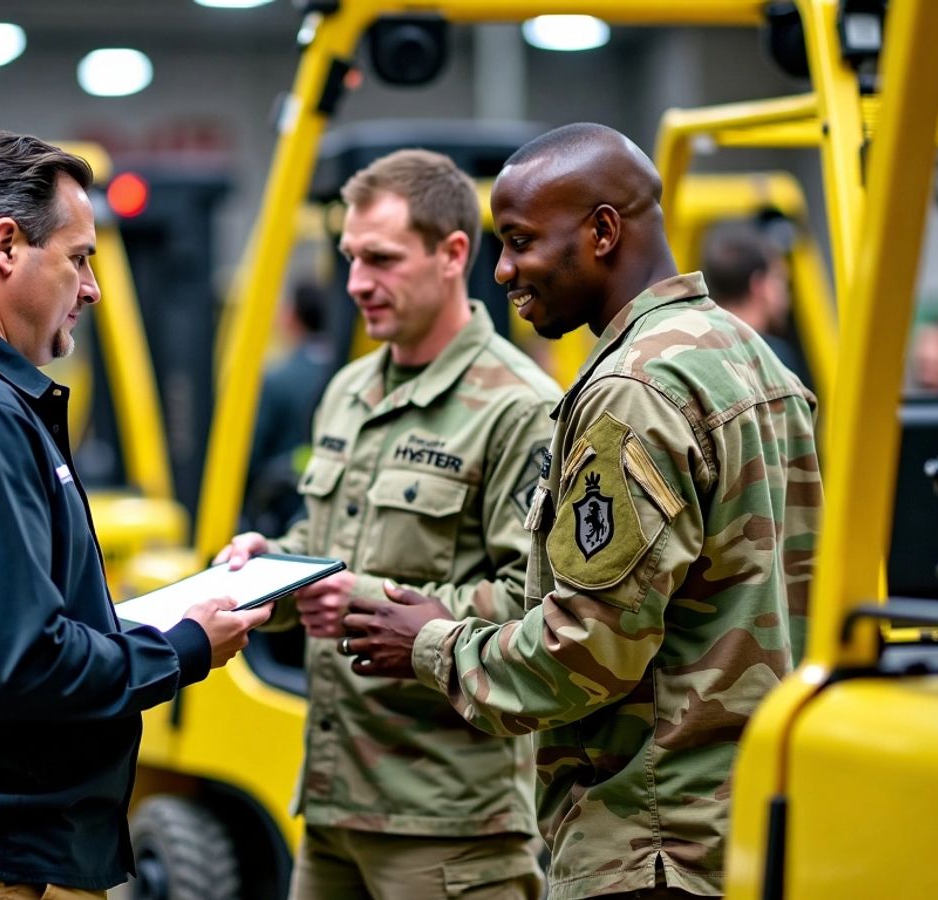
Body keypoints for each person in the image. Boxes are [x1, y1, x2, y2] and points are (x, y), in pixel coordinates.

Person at [341, 124, 823, 900]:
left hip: (652, 845)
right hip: (750, 831)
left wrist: (431, 644)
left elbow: (587, 653)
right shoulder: (750, 357)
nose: (503, 272)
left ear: (602, 231)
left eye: (521, 242)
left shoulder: (631, 392)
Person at [0, 131, 271, 899]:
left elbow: (15, 626)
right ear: (5, 246)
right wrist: (183, 646)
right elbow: (25, 664)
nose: (93, 288)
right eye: (79, 257)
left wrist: (186, 605)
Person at [218, 148, 562, 899]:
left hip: (447, 824)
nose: (355, 284)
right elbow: (326, 558)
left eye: (380, 258)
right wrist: (268, 570)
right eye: (348, 257)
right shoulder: (349, 391)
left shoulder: (519, 408)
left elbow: (540, 612)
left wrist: (362, 597)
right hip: (335, 808)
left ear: (453, 255)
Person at [243, 280, 335, 535]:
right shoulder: (345, 370)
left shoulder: (278, 379)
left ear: (292, 316)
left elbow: (251, 454)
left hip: (279, 512)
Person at [701, 219, 811, 387]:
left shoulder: (696, 349)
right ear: (758, 285)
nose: (786, 294)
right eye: (780, 280)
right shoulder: (774, 358)